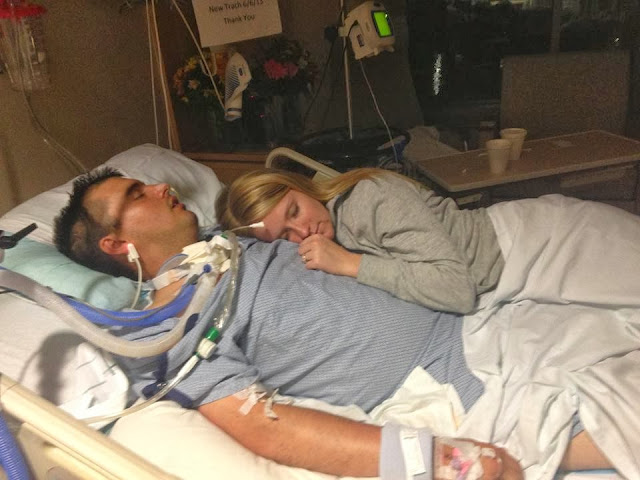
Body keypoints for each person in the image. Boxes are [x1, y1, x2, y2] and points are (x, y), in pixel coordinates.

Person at [53, 167, 618, 479]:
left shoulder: (230, 242)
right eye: (137, 194)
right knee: (618, 417)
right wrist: (440, 459)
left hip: (485, 321)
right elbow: (263, 427)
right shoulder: (165, 328)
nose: (161, 187)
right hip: (456, 379)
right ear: (118, 244)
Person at [215, 167, 640, 314]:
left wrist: (351, 264)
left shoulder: (368, 201)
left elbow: (457, 291)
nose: (302, 232)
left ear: (301, 187)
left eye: (294, 211)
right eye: (284, 237)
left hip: (548, 240)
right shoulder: (332, 232)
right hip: (519, 262)